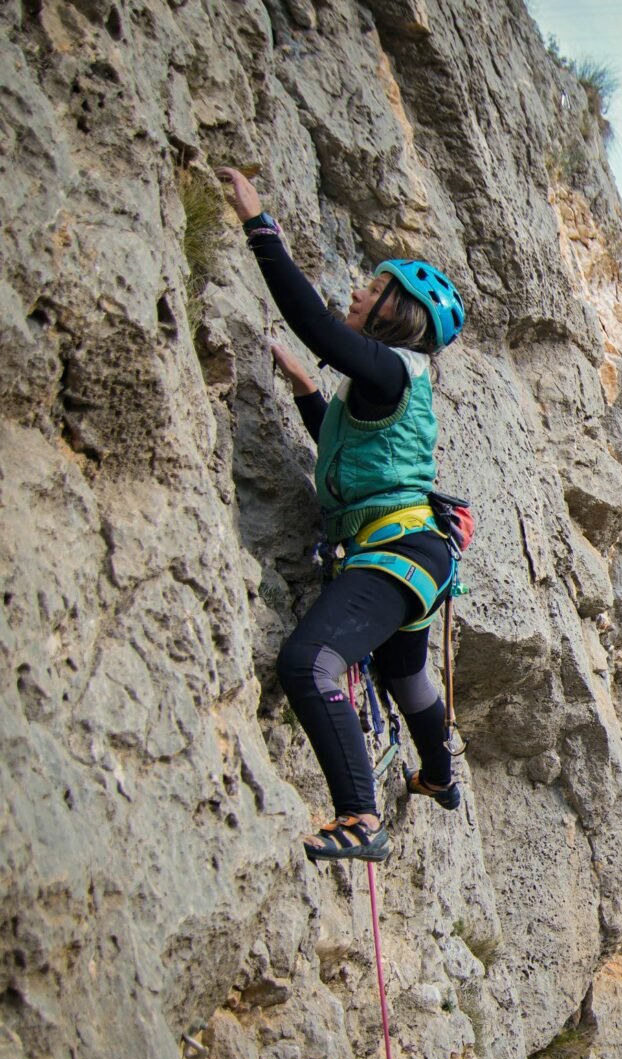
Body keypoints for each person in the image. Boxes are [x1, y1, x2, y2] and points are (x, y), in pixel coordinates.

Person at [217, 166, 465, 862]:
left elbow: (319, 328)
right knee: (406, 673)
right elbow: (359, 460)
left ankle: (360, 815)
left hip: (395, 553)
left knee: (310, 663)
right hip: (415, 556)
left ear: (396, 309)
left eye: (373, 285)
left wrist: (260, 226)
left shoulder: (390, 366)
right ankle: (440, 775)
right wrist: (303, 394)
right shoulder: (390, 385)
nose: (359, 290)